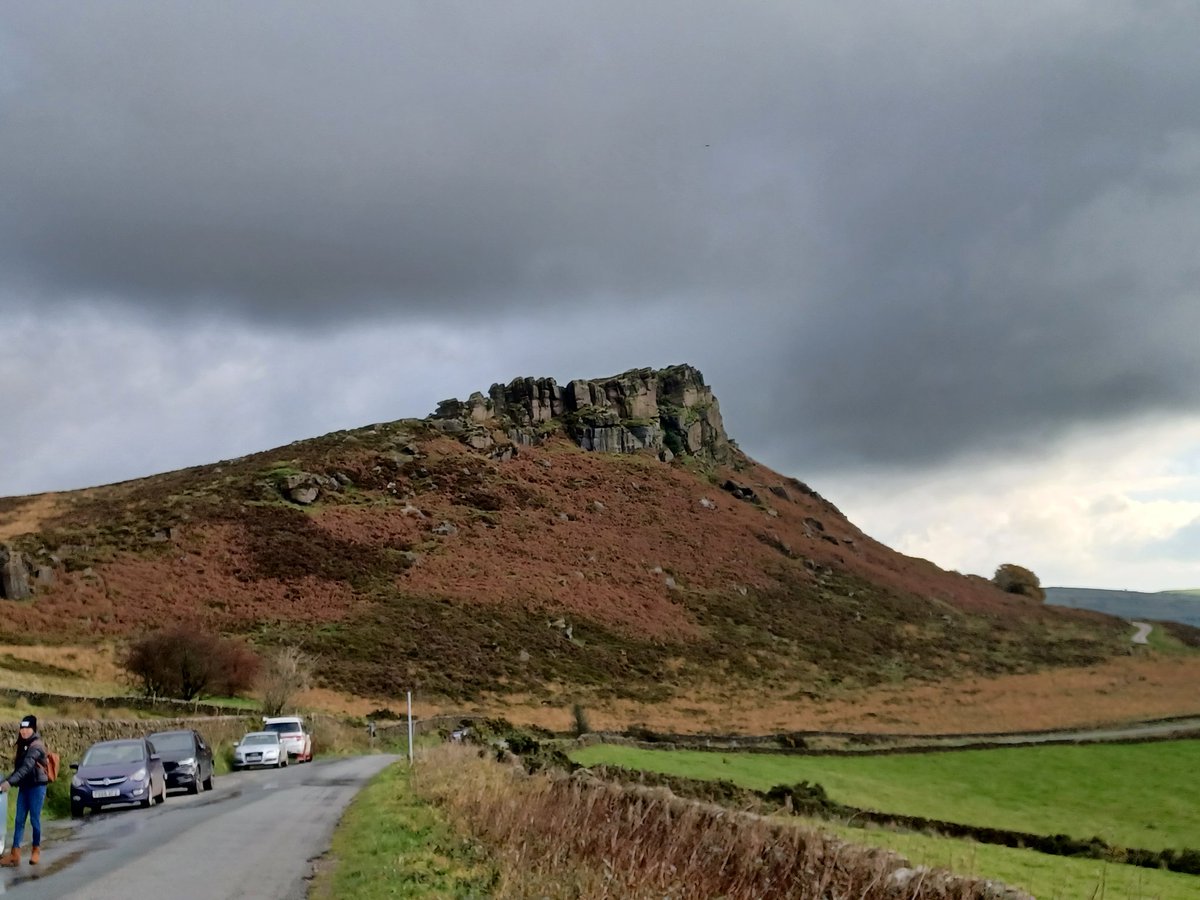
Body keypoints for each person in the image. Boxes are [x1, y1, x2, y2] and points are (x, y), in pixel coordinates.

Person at [0, 716, 49, 867]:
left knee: (34, 819)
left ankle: (36, 849)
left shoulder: (37, 746)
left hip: (37, 787)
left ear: (33, 729)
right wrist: (4, 781)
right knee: (19, 820)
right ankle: (15, 854)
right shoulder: (22, 745)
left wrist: (9, 782)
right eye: (22, 728)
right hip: (25, 787)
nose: (24, 731)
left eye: (27, 728)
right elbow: (18, 770)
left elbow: (27, 767)